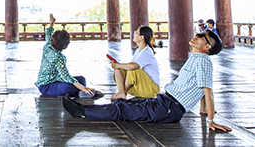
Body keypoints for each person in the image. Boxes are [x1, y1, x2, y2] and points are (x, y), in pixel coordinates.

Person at [62, 30, 232, 133]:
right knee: (123, 105)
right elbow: (203, 87)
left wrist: (210, 120)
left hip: (169, 108)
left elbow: (207, 89)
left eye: (202, 36)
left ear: (208, 47)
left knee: (122, 109)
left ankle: (82, 112)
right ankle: (84, 109)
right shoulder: (197, 58)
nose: (197, 35)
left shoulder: (202, 60)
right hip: (165, 102)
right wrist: (203, 109)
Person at [36, 13, 99, 98]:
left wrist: (52, 23)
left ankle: (81, 91)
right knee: (69, 87)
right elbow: (66, 77)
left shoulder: (48, 46)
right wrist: (83, 87)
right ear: (65, 46)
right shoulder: (58, 58)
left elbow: (48, 33)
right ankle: (81, 92)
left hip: (57, 80)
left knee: (81, 79)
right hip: (46, 86)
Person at [110, 26, 160, 100]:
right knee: (118, 68)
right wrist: (117, 65)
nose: (134, 34)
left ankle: (123, 92)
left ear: (141, 37)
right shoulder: (138, 51)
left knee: (133, 69)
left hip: (152, 90)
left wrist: (119, 65)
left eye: (136, 33)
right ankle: (121, 92)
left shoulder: (147, 52)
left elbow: (133, 66)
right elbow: (130, 65)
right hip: (141, 88)